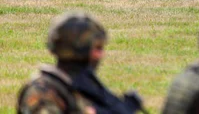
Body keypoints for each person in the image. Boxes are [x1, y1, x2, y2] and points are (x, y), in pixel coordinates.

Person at [17, 11, 146, 114]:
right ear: (79, 50)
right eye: (97, 49)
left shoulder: (80, 89)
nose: (101, 55)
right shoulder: (41, 93)